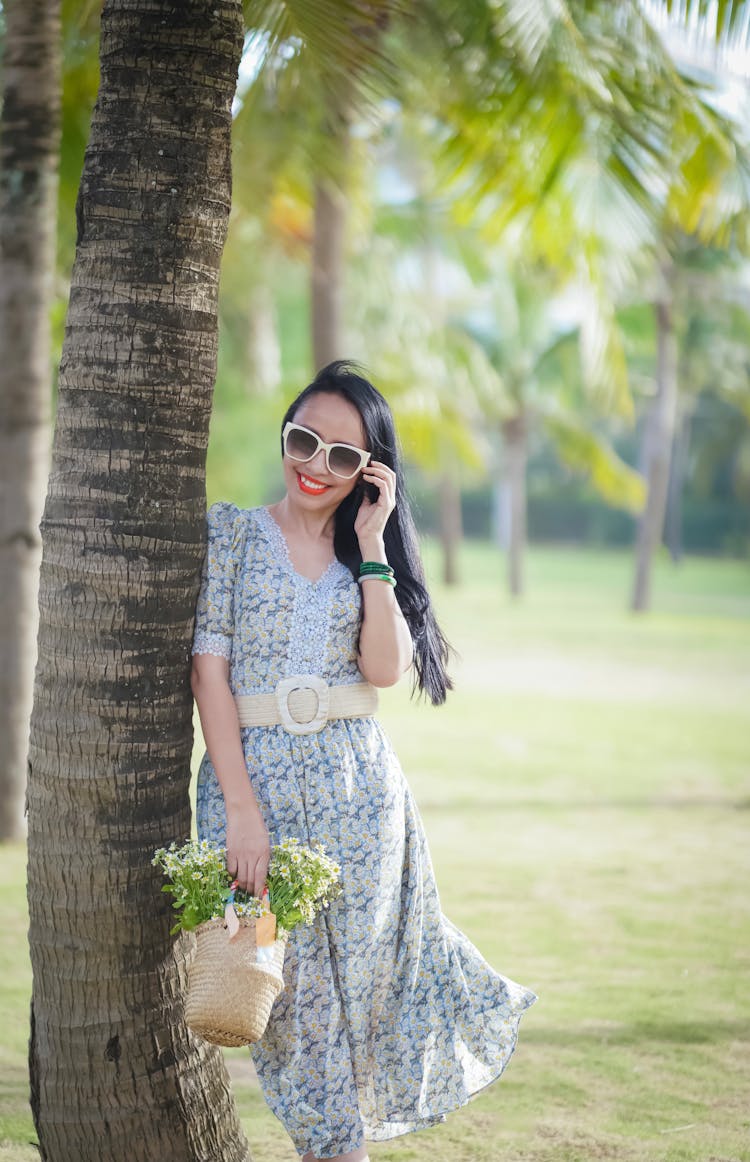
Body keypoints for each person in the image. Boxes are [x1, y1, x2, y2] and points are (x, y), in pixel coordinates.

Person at [190, 361, 537, 1162]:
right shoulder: (234, 534)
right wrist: (241, 810)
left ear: (370, 472)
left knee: (371, 1004)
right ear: (285, 435)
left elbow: (382, 670)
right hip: (257, 796)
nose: (317, 466)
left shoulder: (364, 561)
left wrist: (375, 544)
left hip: (362, 801)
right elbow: (209, 670)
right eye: (304, 441)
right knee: (297, 1007)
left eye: (343, 456)